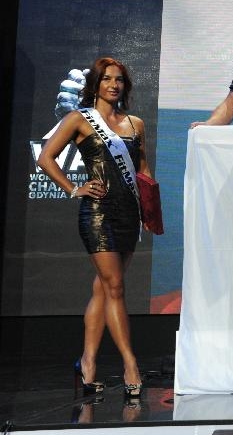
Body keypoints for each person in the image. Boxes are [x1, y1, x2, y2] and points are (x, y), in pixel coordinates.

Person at [37, 57, 150, 398]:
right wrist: (75, 188)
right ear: (96, 85)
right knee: (114, 287)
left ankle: (87, 364)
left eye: (119, 80)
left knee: (103, 290)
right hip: (97, 213)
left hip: (130, 215)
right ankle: (131, 365)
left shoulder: (135, 124)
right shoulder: (79, 119)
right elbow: (45, 158)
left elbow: (143, 170)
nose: (114, 84)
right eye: (107, 79)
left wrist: (152, 204)